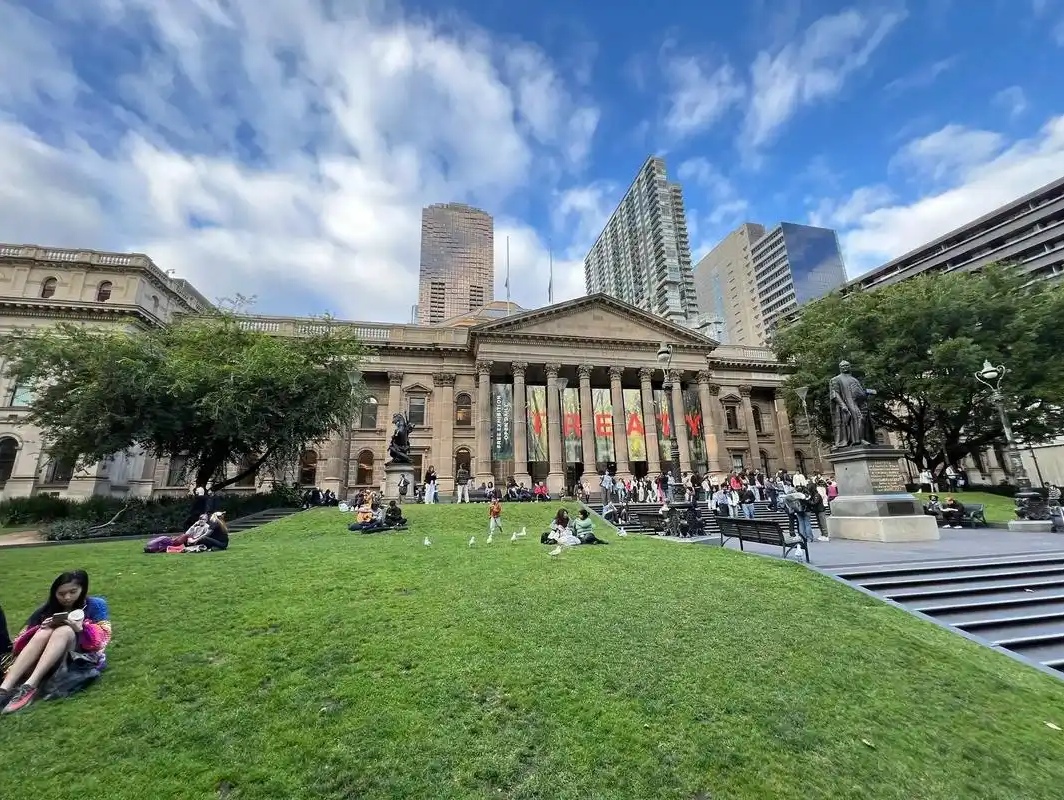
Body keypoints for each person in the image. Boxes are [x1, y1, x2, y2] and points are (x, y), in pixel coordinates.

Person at [0, 570, 112, 714]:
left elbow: (103, 637)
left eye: (73, 592)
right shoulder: (46, 610)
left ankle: (30, 686)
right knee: (44, 632)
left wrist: (81, 628)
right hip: (42, 656)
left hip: (75, 656)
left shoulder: (96, 604)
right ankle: (4, 688)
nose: (67, 597)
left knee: (64, 630)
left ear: (82, 589)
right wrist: (41, 627)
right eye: (61, 594)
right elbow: (18, 644)